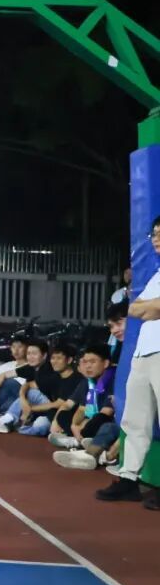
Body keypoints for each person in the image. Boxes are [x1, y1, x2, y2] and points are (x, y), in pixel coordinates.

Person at [97, 216, 160, 509]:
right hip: (143, 354)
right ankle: (129, 479)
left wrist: (150, 307)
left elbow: (150, 309)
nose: (156, 239)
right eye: (154, 234)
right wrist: (150, 307)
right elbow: (136, 309)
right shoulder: (157, 275)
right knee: (135, 420)